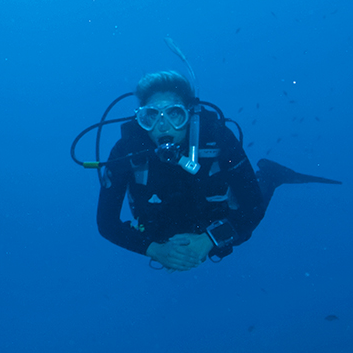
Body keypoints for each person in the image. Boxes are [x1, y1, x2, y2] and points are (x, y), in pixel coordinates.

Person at [97, 70, 340, 271]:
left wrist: (209, 240)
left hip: (212, 220)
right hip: (159, 233)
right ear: (141, 119)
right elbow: (106, 223)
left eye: (174, 114)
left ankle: (270, 176)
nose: (163, 126)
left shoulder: (217, 138)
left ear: (189, 114)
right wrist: (155, 249)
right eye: (151, 116)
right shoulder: (125, 151)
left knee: (244, 233)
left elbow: (252, 205)